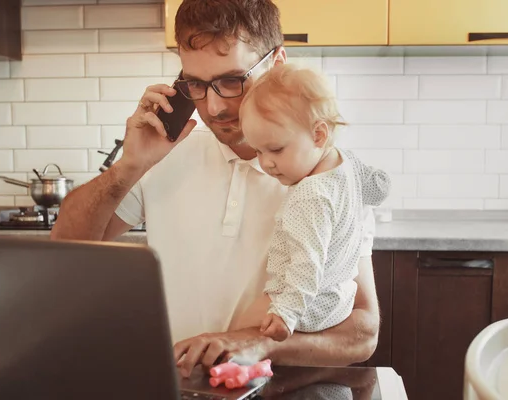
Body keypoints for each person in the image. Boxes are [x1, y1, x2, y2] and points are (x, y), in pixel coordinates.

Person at [50, 0, 382, 378]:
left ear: (276, 63)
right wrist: (130, 165)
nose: (213, 106)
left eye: (231, 81)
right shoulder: (163, 157)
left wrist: (257, 343)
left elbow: (362, 333)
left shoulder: (330, 180)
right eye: (195, 84)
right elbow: (64, 247)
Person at [231, 64, 390, 342]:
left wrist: (285, 314)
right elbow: (374, 186)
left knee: (237, 330)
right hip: (340, 297)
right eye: (258, 150)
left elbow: (307, 264)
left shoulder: (309, 196)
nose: (266, 163)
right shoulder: (346, 160)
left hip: (308, 304)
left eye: (276, 149)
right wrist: (382, 185)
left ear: (319, 134)